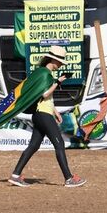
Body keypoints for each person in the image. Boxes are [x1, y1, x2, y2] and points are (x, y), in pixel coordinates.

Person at [8, 46, 87, 188]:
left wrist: (55, 112)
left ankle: (16, 175)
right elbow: (44, 94)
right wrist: (58, 82)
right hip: (43, 115)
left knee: (33, 146)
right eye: (60, 62)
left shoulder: (42, 73)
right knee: (59, 144)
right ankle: (69, 178)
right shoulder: (46, 74)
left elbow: (46, 98)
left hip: (41, 114)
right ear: (54, 60)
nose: (61, 65)